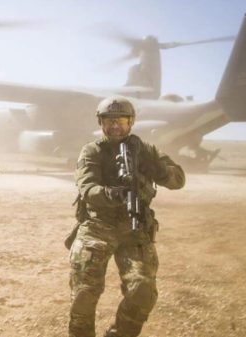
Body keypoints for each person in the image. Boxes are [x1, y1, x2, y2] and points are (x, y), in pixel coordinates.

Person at [68, 97, 186, 337]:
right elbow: (87, 188)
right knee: (83, 295)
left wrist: (159, 170)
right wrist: (113, 194)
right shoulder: (92, 150)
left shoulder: (146, 149)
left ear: (130, 122)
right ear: (101, 123)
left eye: (120, 120)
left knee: (143, 292)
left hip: (135, 229)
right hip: (97, 226)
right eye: (109, 121)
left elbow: (178, 180)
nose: (115, 126)